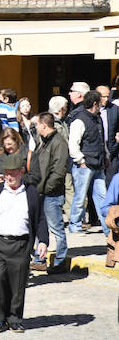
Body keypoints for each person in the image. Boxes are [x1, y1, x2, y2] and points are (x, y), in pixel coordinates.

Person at [0, 152, 49, 333]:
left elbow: (40, 218)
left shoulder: (31, 193)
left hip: (20, 244)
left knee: (17, 285)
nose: (9, 176)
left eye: (13, 172)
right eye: (7, 172)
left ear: (21, 172)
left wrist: (43, 241)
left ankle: (15, 318)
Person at [28, 112, 69, 273]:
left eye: (37, 124)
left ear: (44, 125)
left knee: (56, 228)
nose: (36, 127)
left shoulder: (58, 142)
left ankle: (60, 261)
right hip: (41, 191)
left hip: (51, 193)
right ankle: (39, 258)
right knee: (40, 228)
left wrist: (44, 189)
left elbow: (58, 171)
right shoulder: (43, 141)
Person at [67, 90, 108, 234]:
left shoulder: (97, 118)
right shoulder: (79, 120)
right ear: (95, 103)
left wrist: (105, 157)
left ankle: (107, 227)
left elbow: (101, 141)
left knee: (102, 196)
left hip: (97, 163)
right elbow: (73, 144)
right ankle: (75, 225)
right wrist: (81, 161)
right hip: (84, 165)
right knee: (80, 196)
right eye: (100, 102)